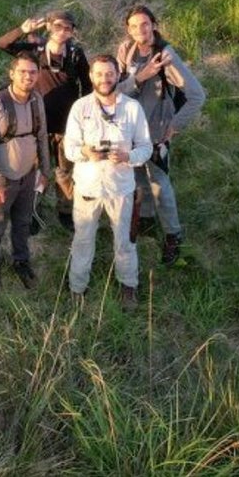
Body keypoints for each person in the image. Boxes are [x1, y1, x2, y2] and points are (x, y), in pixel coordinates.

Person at [116, 4, 205, 265]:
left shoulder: (166, 55)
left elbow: (197, 96)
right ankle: (144, 219)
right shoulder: (126, 51)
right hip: (129, 131)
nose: (139, 30)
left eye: (144, 24)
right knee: (135, 178)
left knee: (159, 185)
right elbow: (118, 92)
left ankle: (173, 235)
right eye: (133, 26)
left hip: (155, 135)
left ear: (154, 25)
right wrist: (141, 76)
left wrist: (174, 126)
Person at [63, 54, 152, 308]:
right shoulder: (80, 107)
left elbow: (145, 147)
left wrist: (128, 156)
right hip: (88, 188)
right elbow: (70, 148)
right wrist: (85, 153)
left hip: (121, 188)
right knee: (82, 240)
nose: (105, 79)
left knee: (124, 241)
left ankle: (129, 286)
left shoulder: (132, 108)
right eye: (99, 74)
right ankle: (77, 287)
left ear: (118, 75)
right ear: (91, 76)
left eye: (110, 73)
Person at [0, 9, 91, 232]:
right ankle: (31, 212)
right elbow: (2, 44)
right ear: (48, 27)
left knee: (65, 171)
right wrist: (23, 29)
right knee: (34, 170)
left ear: (73, 31)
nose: (62, 32)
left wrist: (84, 117)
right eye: (57, 26)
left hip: (67, 125)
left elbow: (87, 88)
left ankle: (66, 211)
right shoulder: (35, 50)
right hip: (36, 124)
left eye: (68, 28)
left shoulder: (76, 54)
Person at [0, 52, 51, 295]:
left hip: (29, 177)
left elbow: (41, 138)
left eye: (32, 72)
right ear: (12, 74)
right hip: (2, 180)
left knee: (23, 223)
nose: (28, 76)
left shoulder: (36, 100)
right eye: (22, 72)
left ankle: (21, 261)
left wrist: (44, 172)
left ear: (38, 75)